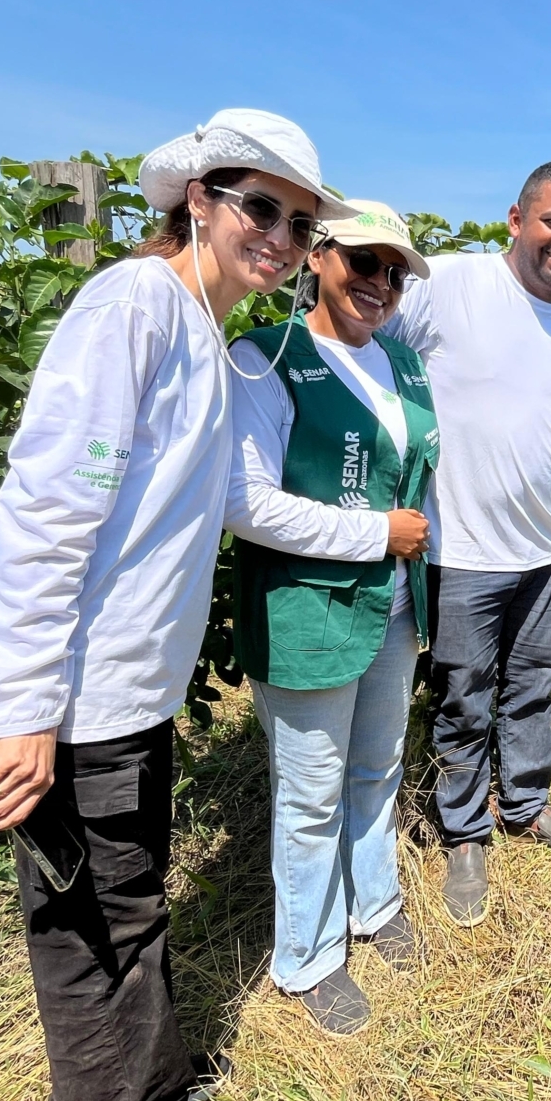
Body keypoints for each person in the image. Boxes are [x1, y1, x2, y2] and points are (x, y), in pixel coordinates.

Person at [0, 110, 352, 1101]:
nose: (280, 238)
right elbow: (49, 507)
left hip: (122, 688)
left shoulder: (200, 334)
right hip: (83, 695)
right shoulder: (135, 307)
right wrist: (28, 707)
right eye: (261, 208)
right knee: (105, 920)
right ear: (200, 200)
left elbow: (207, 502)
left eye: (299, 223)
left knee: (110, 904)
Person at [225, 201, 437, 1037]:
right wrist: (375, 534)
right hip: (308, 609)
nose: (379, 284)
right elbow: (245, 503)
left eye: (395, 273)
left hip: (392, 605)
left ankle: (373, 904)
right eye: (363, 263)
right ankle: (308, 957)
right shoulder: (266, 359)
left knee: (377, 765)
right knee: (310, 792)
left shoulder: (404, 364)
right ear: (318, 256)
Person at [384, 160, 551, 927]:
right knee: (465, 696)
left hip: (542, 545)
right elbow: (364, 351)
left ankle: (527, 803)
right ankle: (465, 830)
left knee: (532, 684)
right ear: (516, 219)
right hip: (462, 546)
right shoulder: (448, 283)